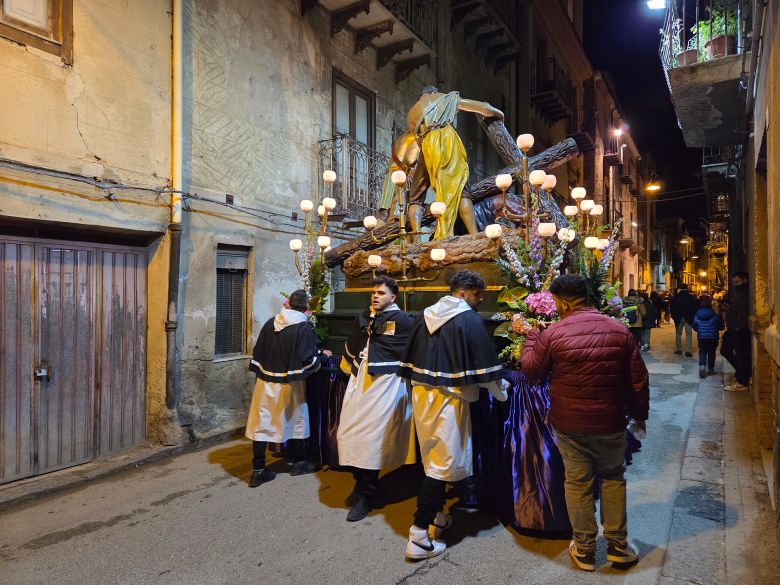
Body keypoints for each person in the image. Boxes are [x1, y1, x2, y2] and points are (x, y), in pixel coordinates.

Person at [521, 274, 649, 572]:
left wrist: (531, 339)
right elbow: (638, 380)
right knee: (613, 478)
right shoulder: (619, 329)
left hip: (570, 424)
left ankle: (585, 549)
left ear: (564, 302)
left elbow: (532, 373)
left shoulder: (554, 333)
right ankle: (618, 546)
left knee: (577, 483)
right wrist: (640, 415)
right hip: (611, 421)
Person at [398, 270, 509, 560]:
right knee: (443, 463)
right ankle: (419, 535)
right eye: (477, 294)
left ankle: (435, 515)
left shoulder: (424, 315)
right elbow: (483, 366)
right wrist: (501, 392)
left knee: (432, 455)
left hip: (423, 395)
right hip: (449, 400)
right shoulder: (469, 319)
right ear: (463, 293)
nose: (480, 300)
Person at [337, 276, 416, 522]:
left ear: (393, 297)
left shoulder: (403, 321)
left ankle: (365, 494)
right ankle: (361, 483)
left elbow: (414, 348)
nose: (375, 296)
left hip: (387, 383)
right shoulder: (364, 316)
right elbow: (354, 344)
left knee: (372, 440)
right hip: (360, 381)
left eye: (381, 293)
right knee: (348, 434)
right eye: (374, 292)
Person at [245, 289, 331, 488]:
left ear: (288, 304)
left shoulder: (270, 322)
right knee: (297, 419)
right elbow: (308, 361)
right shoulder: (303, 327)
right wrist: (324, 355)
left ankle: (258, 470)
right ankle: (299, 462)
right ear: (307, 309)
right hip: (289, 384)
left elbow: (260, 352)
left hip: (265, 382)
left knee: (262, 422)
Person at [403, 87, 504, 239]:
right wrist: (500, 115)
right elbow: (482, 108)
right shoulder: (445, 98)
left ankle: (416, 240)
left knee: (415, 196)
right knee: (461, 188)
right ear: (434, 92)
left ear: (421, 96)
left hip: (426, 145)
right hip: (448, 141)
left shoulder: (411, 114)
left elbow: (419, 144)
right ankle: (474, 236)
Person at [720, 272, 751, 391]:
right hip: (733, 326)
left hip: (740, 328)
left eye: (737, 282)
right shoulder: (736, 292)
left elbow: (744, 309)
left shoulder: (746, 292)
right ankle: (743, 373)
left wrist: (739, 325)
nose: (735, 284)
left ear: (745, 280)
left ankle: (742, 381)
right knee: (725, 350)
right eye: (733, 282)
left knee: (742, 354)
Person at [692, 295, 724, 378]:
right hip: (713, 337)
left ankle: (702, 366)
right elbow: (721, 326)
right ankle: (710, 368)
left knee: (702, 351)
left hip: (702, 337)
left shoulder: (697, 315)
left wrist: (699, 330)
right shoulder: (714, 315)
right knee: (711, 353)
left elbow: (694, 326)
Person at [669, 284, 698, 357]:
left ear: (680, 289)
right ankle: (688, 351)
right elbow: (695, 307)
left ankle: (679, 349)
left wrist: (674, 317)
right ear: (687, 288)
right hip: (688, 318)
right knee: (689, 334)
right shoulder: (691, 297)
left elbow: (672, 308)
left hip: (678, 318)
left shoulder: (675, 297)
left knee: (678, 334)